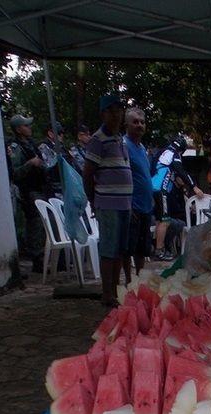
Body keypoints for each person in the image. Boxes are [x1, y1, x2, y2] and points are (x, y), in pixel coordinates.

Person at [82, 93, 133, 307]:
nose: (116, 115)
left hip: (124, 204)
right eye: (111, 111)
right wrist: (94, 201)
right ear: (103, 114)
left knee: (120, 251)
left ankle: (115, 290)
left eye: (119, 110)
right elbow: (87, 174)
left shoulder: (120, 139)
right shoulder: (97, 140)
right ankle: (107, 294)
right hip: (108, 204)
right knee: (108, 251)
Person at [7, 113, 49, 273]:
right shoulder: (15, 148)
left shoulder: (30, 144)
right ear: (18, 129)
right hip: (27, 191)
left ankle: (40, 256)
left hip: (39, 188)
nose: (29, 128)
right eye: (26, 125)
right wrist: (30, 163)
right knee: (34, 224)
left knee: (41, 224)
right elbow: (16, 173)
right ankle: (36, 257)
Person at [152, 134, 203, 261]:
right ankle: (159, 251)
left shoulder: (162, 152)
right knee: (165, 220)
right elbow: (181, 171)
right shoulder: (173, 154)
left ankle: (159, 249)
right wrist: (194, 186)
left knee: (160, 220)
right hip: (161, 189)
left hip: (153, 187)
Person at [122, 106, 153, 283]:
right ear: (127, 124)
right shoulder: (124, 146)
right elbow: (123, 177)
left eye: (142, 122)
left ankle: (139, 279)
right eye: (135, 122)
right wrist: (128, 203)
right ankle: (128, 279)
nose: (139, 125)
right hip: (132, 205)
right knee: (128, 247)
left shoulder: (142, 148)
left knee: (142, 247)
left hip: (146, 205)